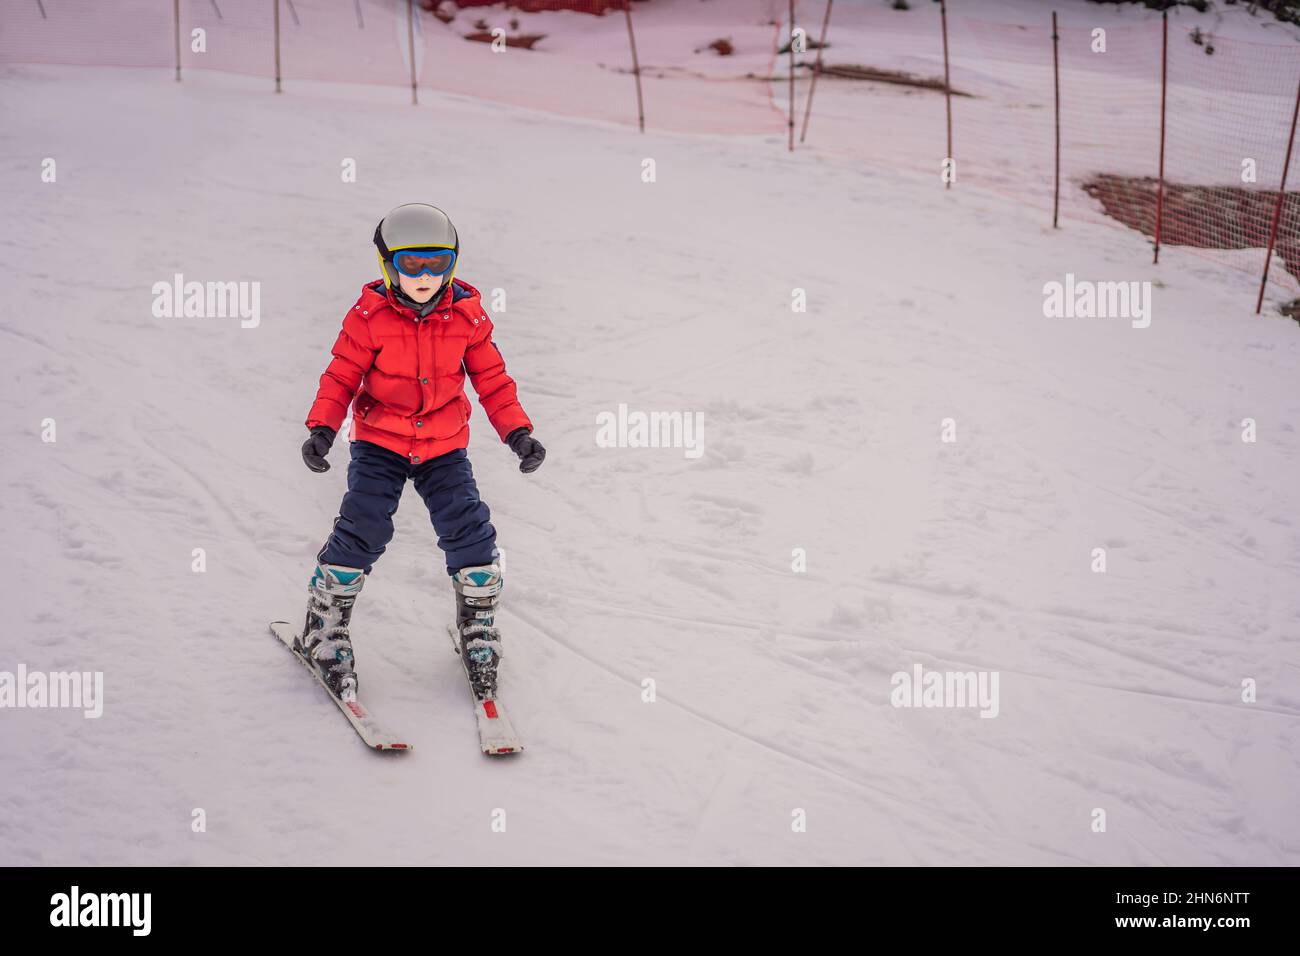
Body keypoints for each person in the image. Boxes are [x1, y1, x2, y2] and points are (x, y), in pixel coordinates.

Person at [295, 202, 545, 704]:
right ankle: (325, 625)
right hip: (380, 443)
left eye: (438, 261)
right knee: (365, 524)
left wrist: (517, 432)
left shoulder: (468, 318)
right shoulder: (368, 319)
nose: (426, 275)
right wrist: (323, 426)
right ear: (388, 264)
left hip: (443, 447)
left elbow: (492, 381)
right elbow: (341, 375)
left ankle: (477, 625)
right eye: (412, 264)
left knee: (469, 527)